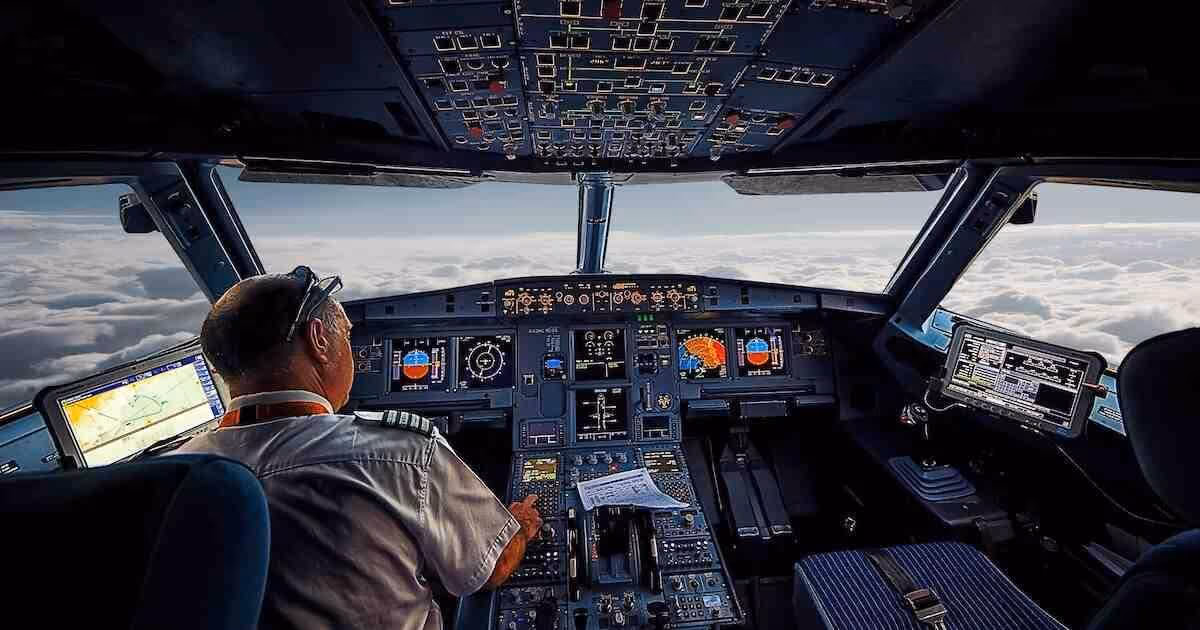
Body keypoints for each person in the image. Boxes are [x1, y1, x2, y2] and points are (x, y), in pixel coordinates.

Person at [177, 266, 542, 630]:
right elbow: (489, 567)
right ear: (319, 339)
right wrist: (521, 526)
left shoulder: (171, 478)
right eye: (347, 336)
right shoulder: (401, 454)